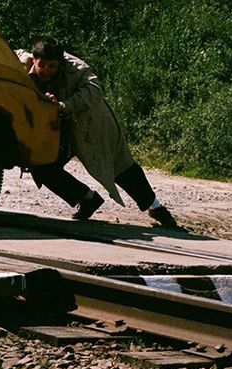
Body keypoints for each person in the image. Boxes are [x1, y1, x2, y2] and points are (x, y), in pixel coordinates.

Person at [17, 37, 182, 230]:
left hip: (89, 124)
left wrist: (64, 105)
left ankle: (156, 207)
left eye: (52, 66)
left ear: (60, 63)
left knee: (120, 166)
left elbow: (94, 91)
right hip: (57, 128)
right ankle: (86, 199)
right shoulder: (23, 61)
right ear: (35, 59)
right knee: (42, 165)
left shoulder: (77, 69)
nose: (46, 70)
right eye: (42, 65)